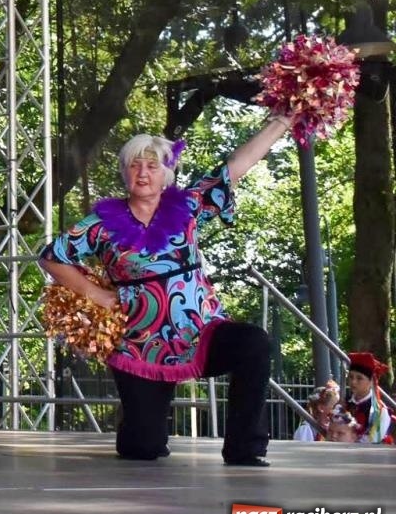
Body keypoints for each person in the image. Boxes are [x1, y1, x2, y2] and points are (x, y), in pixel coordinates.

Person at [39, 121, 293, 466]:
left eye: (151, 165)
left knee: (254, 343)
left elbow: (237, 166)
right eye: (134, 165)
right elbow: (54, 257)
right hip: (139, 343)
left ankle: (244, 449)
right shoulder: (100, 223)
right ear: (125, 173)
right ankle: (138, 427)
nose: (142, 173)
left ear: (166, 174)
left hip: (200, 332)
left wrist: (283, 120)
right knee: (142, 448)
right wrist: (96, 294)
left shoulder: (188, 206)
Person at [342, 352, 392, 445]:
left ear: (371, 381)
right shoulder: (343, 403)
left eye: (359, 378)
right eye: (351, 377)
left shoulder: (379, 411)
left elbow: (373, 441)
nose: (353, 382)